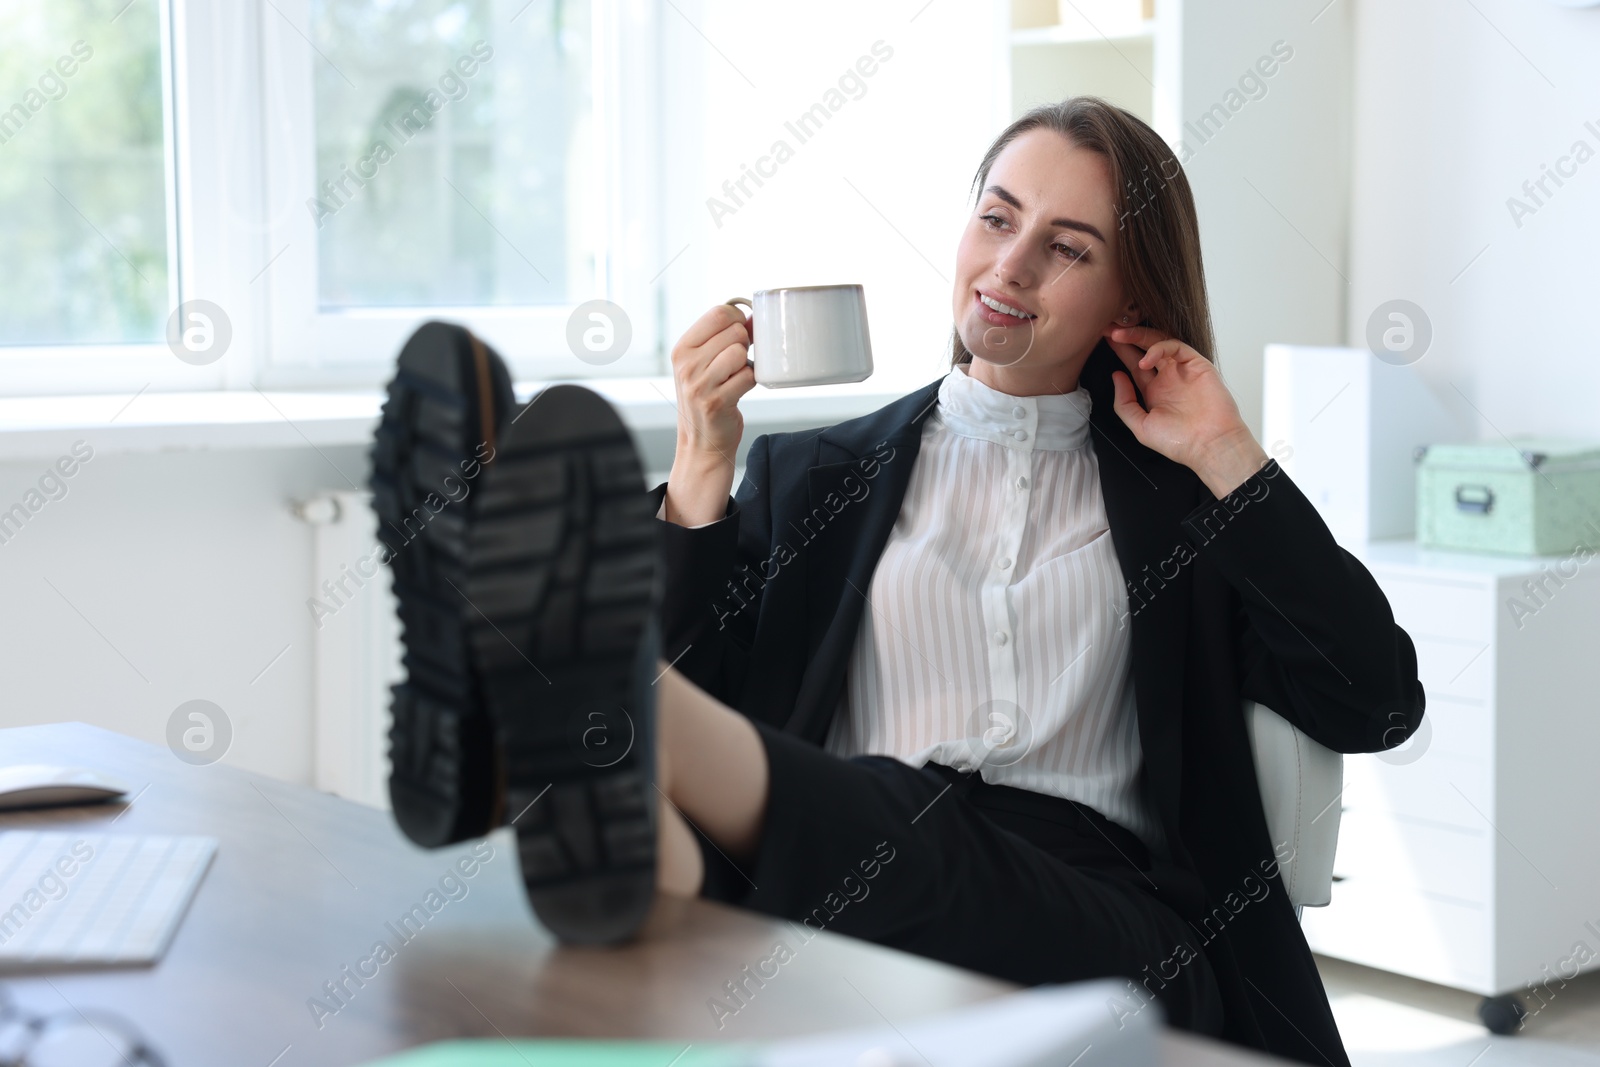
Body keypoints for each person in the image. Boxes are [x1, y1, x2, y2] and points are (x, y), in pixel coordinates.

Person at [370, 97, 1423, 1067]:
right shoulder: (813, 474)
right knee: (830, 834)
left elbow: (1372, 698)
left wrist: (1230, 455)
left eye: (1065, 247)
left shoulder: (1185, 507)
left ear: (1129, 295)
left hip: (1110, 921)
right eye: (995, 219)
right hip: (830, 872)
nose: (1008, 267)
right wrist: (699, 467)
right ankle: (621, 801)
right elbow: (715, 671)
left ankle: (542, 686)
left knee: (909, 823)